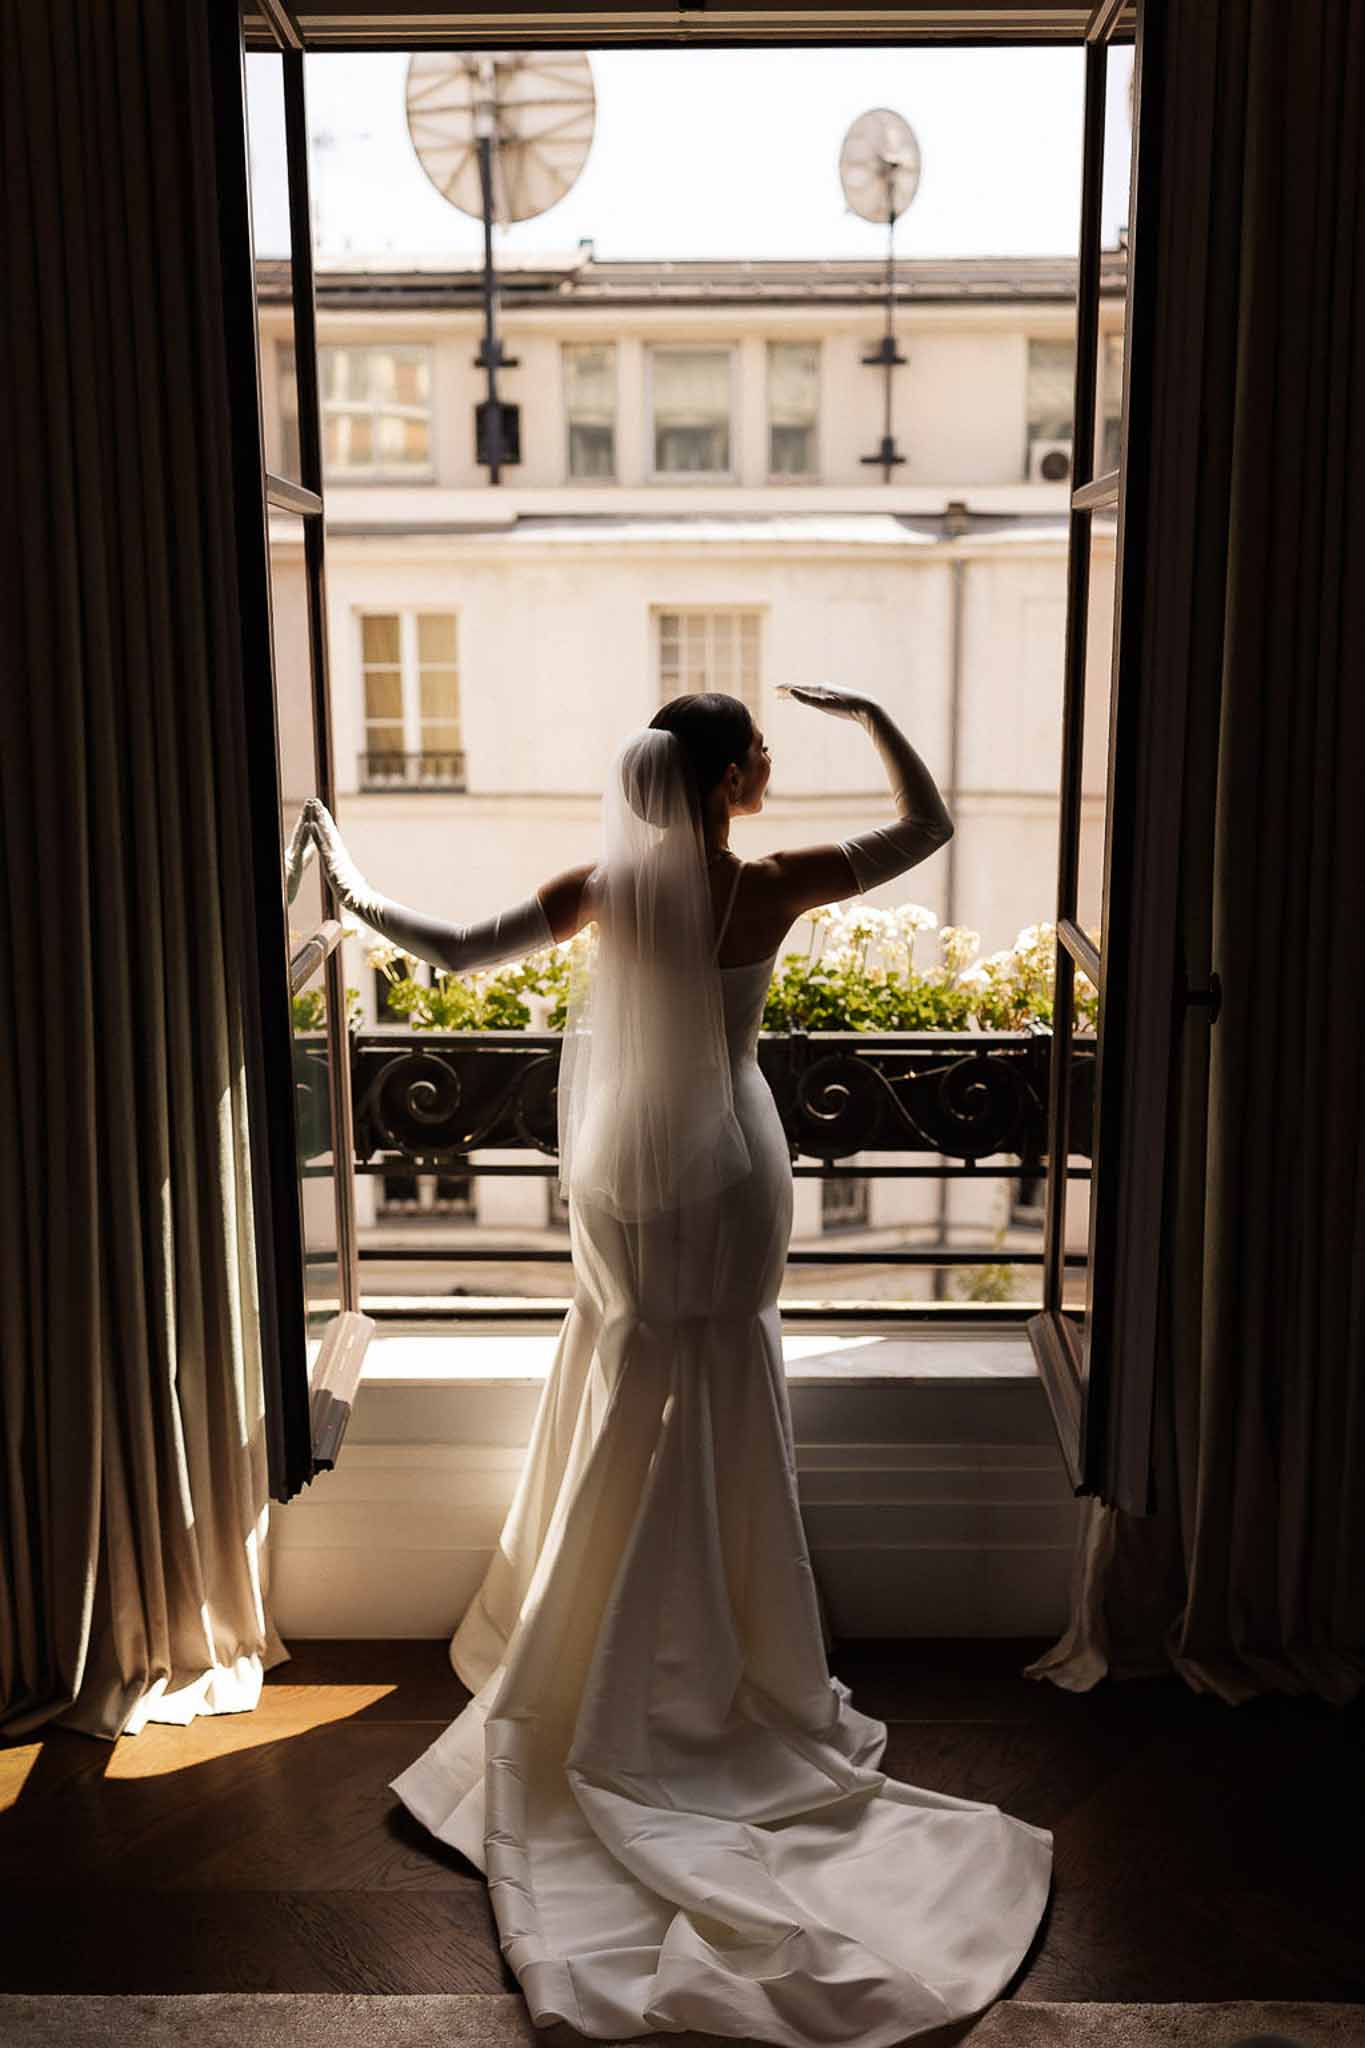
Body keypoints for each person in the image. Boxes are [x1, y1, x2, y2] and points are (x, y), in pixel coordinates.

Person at [303, 684, 1053, 2048]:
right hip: (736, 1170)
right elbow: (927, 829)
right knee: (720, 1387)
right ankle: (725, 1647)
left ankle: (598, 1634)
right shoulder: (771, 885)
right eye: (759, 750)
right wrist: (878, 715)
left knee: (631, 1376)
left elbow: (458, 950)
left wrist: (351, 892)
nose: (769, 764)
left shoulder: (600, 886)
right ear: (726, 777)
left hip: (628, 1175)